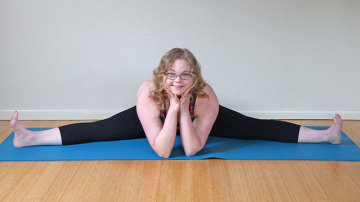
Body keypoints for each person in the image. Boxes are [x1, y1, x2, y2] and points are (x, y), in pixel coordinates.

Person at [10, 48, 343, 158]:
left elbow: (192, 149)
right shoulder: (148, 91)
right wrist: (172, 107)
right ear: (162, 75)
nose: (178, 81)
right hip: (158, 114)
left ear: (194, 76)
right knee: (102, 129)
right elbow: (163, 151)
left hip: (195, 114)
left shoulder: (207, 95)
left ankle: (326, 135)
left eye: (185, 75)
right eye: (171, 74)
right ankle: (31, 137)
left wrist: (184, 108)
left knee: (256, 128)